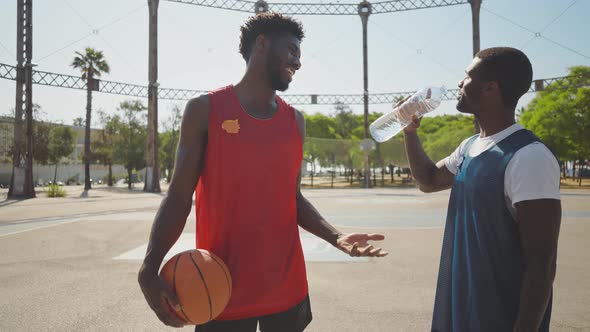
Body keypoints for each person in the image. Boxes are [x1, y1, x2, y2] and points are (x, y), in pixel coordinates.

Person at [137, 12, 388, 332]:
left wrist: (337, 238)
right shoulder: (205, 110)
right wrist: (149, 266)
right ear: (261, 44)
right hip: (220, 288)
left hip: (287, 288)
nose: (298, 62)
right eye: (292, 50)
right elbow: (178, 196)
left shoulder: (295, 121)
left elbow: (292, 198)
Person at [403, 47, 561, 332]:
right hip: (460, 305)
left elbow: (542, 263)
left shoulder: (530, 157)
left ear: (490, 87)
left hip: (499, 316)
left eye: (467, 76)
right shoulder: (469, 147)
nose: (460, 84)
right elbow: (427, 180)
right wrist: (410, 133)